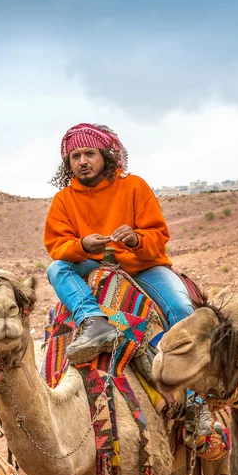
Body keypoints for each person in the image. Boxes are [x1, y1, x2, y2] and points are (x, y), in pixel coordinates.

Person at [44, 123, 195, 365]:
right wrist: (82, 245)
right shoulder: (63, 200)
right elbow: (56, 245)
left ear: (105, 156)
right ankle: (94, 321)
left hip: (143, 266)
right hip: (92, 264)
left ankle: (194, 388)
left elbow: (159, 238)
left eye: (89, 153)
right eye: (75, 156)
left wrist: (136, 239)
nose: (82, 161)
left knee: (182, 310)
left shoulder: (134, 186)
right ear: (68, 163)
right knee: (56, 269)